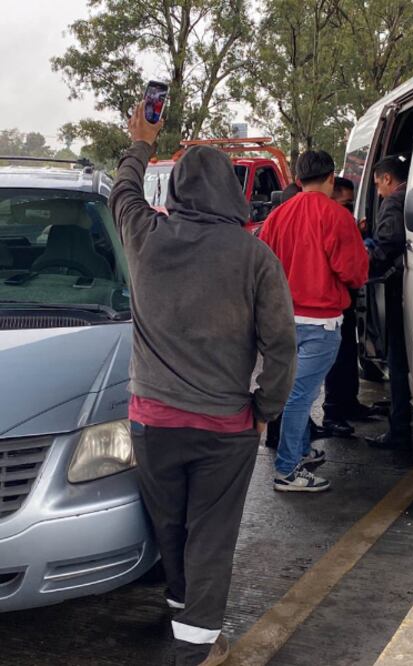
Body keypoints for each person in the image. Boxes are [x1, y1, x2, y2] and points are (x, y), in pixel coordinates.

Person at [112, 101, 297, 666]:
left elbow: (122, 191)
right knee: (210, 537)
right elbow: (281, 347)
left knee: (172, 530)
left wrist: (141, 139)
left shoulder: (145, 235)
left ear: (178, 193)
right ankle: (195, 652)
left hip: (152, 423)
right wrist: (265, 406)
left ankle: (186, 623)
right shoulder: (255, 256)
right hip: (224, 427)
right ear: (232, 195)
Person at [260, 151, 369, 491]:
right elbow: (353, 272)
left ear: (296, 179)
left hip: (281, 320)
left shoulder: (277, 217)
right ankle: (288, 470)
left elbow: (261, 267)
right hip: (320, 322)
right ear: (331, 178)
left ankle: (300, 452)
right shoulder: (337, 216)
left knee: (296, 393)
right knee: (300, 396)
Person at [320, 176, 380, 433]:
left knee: (348, 352)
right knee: (334, 358)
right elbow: (345, 267)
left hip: (344, 299)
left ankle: (348, 403)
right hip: (330, 301)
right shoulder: (327, 219)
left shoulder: (340, 221)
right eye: (345, 205)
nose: (348, 212)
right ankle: (332, 412)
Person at [365, 154, 412, 449]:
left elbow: (387, 243)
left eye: (378, 185)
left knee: (397, 360)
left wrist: (363, 267)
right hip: (411, 282)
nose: (378, 192)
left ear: (386, 178)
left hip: (398, 287)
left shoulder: (394, 201)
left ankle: (399, 430)